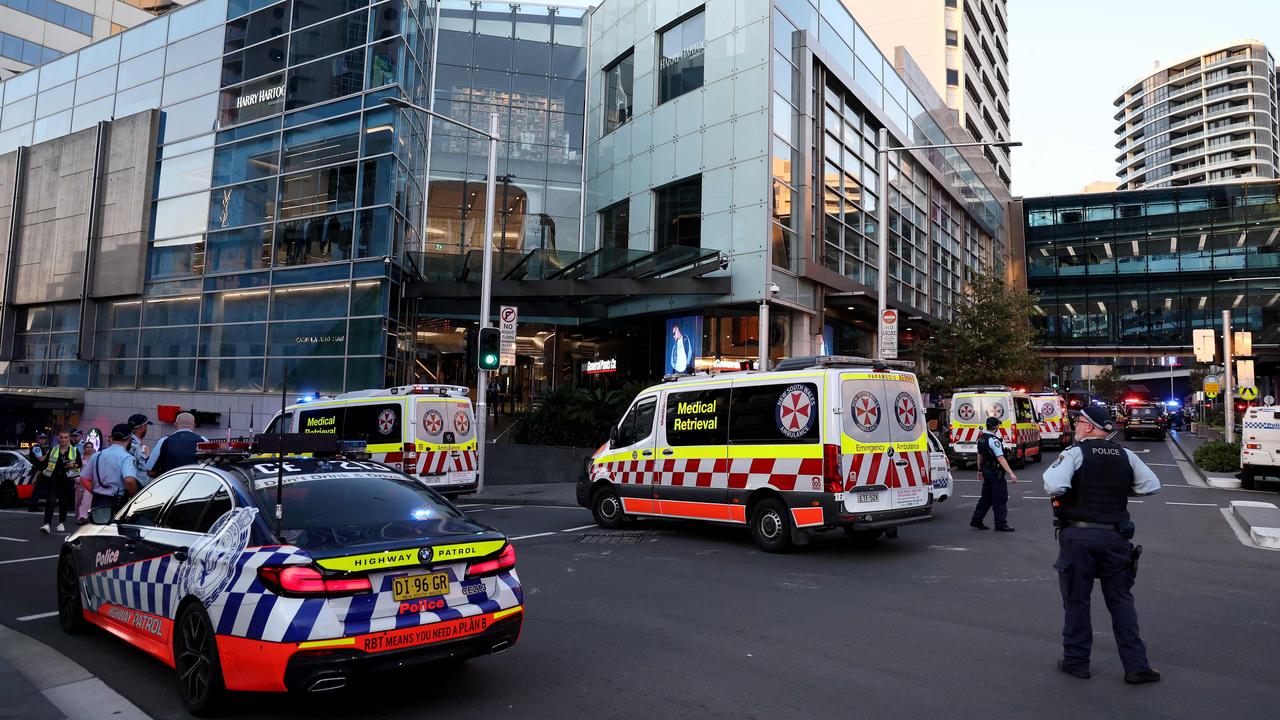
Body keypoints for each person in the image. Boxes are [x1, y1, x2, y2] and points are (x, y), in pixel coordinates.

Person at [1042, 405, 1162, 685]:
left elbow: (1054, 486)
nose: (1075, 425)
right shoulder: (1126, 455)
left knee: (1077, 602)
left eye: (1078, 421)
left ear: (1089, 426)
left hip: (1079, 538)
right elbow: (1151, 486)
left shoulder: (1074, 453)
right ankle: (1137, 667)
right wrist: (1122, 488)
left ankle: (1076, 661)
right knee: (1121, 602)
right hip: (1115, 538)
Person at [971, 416, 1018, 532]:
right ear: (996, 426)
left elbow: (979, 455)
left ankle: (976, 520)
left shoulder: (981, 438)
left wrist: (979, 470)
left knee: (986, 498)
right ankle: (1000, 524)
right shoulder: (994, 440)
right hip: (995, 472)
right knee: (1000, 498)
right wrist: (1011, 473)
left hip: (986, 471)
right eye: (998, 425)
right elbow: (1001, 458)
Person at [82, 423, 141, 511]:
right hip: (117, 502)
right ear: (129, 438)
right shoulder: (127, 458)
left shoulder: (97, 455)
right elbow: (129, 480)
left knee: (97, 524)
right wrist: (136, 497)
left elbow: (83, 478)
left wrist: (95, 492)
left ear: (112, 438)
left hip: (97, 500)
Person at [38, 431, 81, 534]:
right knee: (51, 501)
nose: (63, 440)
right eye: (61, 438)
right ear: (59, 439)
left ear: (69, 438)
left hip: (67, 480)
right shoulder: (53, 449)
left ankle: (61, 523)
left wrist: (73, 465)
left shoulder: (74, 450)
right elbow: (44, 463)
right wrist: (39, 475)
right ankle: (47, 524)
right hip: (53, 480)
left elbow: (79, 463)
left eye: (66, 438)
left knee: (63, 503)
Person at [146, 412, 207, 478]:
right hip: (195, 483)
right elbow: (211, 467)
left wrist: (165, 475)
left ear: (175, 424)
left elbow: (150, 470)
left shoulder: (164, 441)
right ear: (194, 425)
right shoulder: (203, 441)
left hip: (170, 484)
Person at [73, 441, 96, 524]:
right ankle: (78, 516)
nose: (89, 449)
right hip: (79, 482)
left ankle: (83, 516)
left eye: (91, 447)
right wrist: (77, 479)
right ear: (84, 448)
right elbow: (75, 470)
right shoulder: (79, 458)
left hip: (89, 483)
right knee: (78, 502)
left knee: (86, 500)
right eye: (87, 447)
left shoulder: (94, 458)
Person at [25, 433, 49, 512]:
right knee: (37, 488)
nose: (43, 440)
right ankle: (33, 506)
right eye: (41, 438)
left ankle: (34, 505)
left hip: (40, 470)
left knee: (39, 488)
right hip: (37, 470)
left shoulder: (41, 448)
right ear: (37, 439)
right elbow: (41, 459)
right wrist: (48, 453)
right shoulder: (37, 447)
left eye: (44, 438)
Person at [127, 414, 151, 480]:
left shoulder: (132, 443)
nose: (146, 429)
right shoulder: (133, 446)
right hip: (135, 487)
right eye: (146, 426)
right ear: (142, 427)